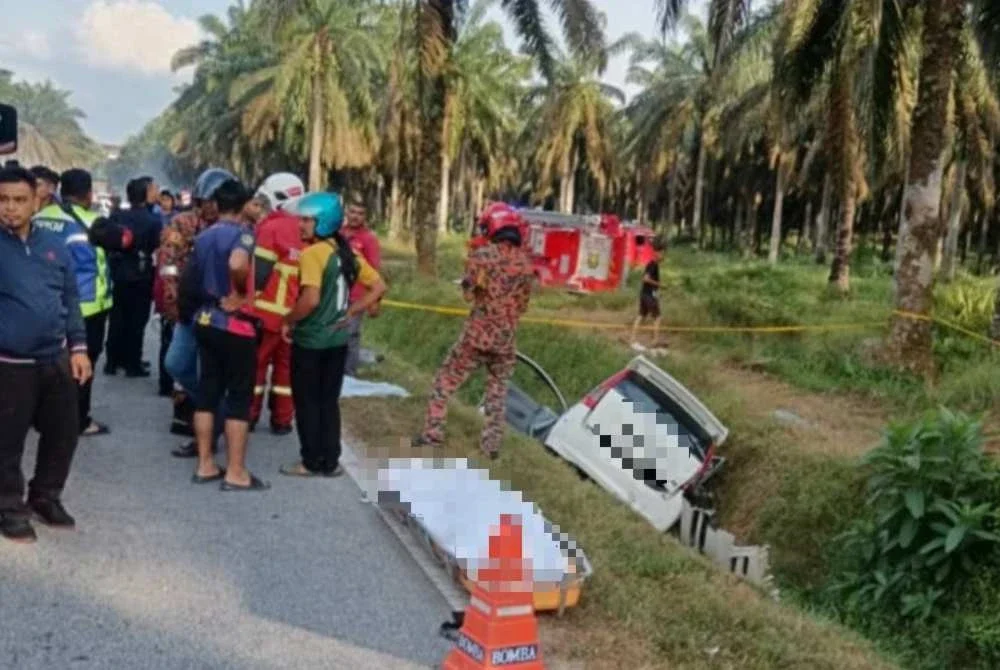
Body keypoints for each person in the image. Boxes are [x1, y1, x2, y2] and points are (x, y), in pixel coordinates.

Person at [0, 166, 92, 542]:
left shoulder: (53, 245)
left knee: (63, 433)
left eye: (19, 200)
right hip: (10, 364)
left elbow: (70, 298)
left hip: (55, 358)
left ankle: (45, 496)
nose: (10, 207)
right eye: (3, 200)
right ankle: (9, 508)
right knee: (7, 442)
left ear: (36, 202)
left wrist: (79, 348)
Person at [412, 204, 534, 459]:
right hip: (506, 340)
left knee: (445, 381)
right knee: (497, 392)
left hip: (477, 336)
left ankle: (433, 433)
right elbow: (522, 305)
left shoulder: (482, 256)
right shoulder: (525, 264)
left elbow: (469, 295)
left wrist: (471, 286)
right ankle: (491, 446)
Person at [280, 192, 386, 478]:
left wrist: (288, 319)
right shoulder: (347, 252)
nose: (301, 225)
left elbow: (310, 299)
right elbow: (379, 286)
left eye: (307, 220)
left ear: (323, 222)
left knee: (307, 401)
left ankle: (310, 461)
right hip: (337, 341)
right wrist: (352, 311)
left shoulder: (313, 254)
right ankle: (330, 460)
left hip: (311, 340)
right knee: (328, 401)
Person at [33, 169, 131, 438]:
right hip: (86, 307)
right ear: (88, 194)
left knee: (46, 361)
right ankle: (78, 420)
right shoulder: (93, 222)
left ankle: (41, 416)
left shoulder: (39, 217)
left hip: (43, 303)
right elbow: (125, 240)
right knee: (82, 366)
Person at [185, 178, 268, 491]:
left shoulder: (203, 236)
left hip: (206, 318)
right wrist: (241, 292)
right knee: (238, 397)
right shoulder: (243, 235)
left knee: (207, 393)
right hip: (234, 324)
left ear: (217, 205)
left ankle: (205, 464)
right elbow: (237, 262)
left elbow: (192, 276)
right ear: (244, 205)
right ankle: (236, 472)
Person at [159, 167, 234, 455]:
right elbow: (167, 261)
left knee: (211, 374)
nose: (210, 207)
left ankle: (208, 434)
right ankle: (219, 411)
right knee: (176, 364)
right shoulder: (182, 223)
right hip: (189, 310)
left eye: (216, 201)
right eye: (206, 201)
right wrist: (170, 294)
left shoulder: (238, 227)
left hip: (221, 315)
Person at [247, 172, 306, 434]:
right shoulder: (308, 229)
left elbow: (259, 274)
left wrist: (247, 305)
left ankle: (249, 414)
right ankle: (282, 420)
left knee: (256, 367)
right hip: (295, 317)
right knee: (286, 371)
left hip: (266, 315)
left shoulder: (270, 228)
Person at [105, 176, 161, 377]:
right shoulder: (152, 221)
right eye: (153, 189)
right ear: (146, 194)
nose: (157, 192)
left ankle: (112, 361)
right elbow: (155, 246)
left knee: (117, 318)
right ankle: (132, 363)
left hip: (118, 272)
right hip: (141, 274)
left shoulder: (117, 216)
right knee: (137, 321)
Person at [340, 192, 382, 378]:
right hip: (335, 293)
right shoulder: (337, 234)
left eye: (360, 213)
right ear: (346, 212)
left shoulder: (369, 239)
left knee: (350, 335)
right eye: (352, 211)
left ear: (365, 217)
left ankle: (349, 375)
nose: (355, 216)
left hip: (357, 296)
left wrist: (375, 301)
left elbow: (374, 271)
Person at [630, 236, 666, 349]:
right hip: (649, 295)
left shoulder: (652, 264)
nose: (663, 256)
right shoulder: (653, 264)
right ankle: (655, 340)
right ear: (657, 253)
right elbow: (645, 279)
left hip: (644, 294)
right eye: (662, 253)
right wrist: (659, 284)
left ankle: (633, 339)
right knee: (657, 317)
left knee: (641, 316)